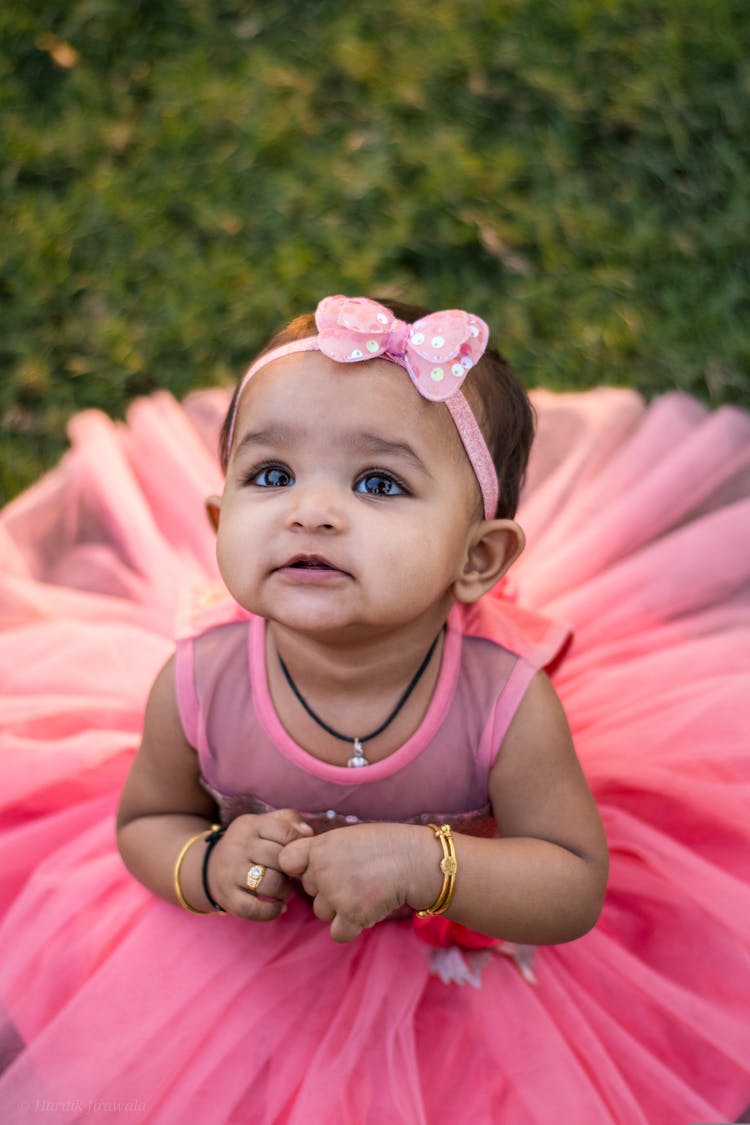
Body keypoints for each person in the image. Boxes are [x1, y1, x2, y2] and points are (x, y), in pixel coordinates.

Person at [0, 294, 749, 1124]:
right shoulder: (196, 681)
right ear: (219, 520)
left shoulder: (508, 703)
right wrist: (206, 864)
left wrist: (430, 866)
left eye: (378, 481)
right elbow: (146, 819)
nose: (311, 509)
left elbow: (572, 882)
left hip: (454, 964)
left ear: (478, 558)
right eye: (271, 475)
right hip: (243, 963)